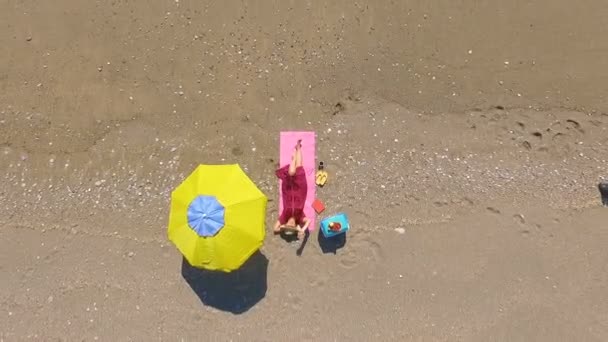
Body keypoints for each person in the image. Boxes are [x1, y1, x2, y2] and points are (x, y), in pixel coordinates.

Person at [274, 139, 310, 239]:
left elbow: (275, 229)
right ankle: (298, 149)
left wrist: (282, 226)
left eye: (287, 225)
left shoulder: (284, 216)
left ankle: (293, 158)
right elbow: (308, 221)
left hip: (288, 189)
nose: (290, 224)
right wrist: (302, 230)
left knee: (291, 173)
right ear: (295, 226)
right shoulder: (300, 217)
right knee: (299, 167)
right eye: (291, 226)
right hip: (300, 189)